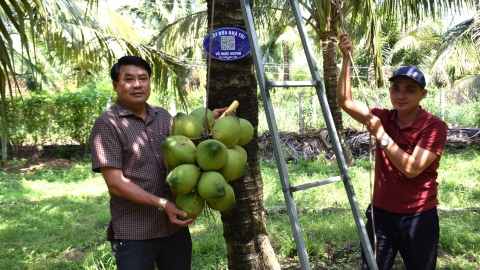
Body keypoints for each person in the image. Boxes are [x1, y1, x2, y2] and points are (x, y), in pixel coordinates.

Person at [89, 56, 230, 270]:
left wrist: (213, 123)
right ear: (116, 85)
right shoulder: (108, 124)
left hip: (174, 229)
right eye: (129, 79)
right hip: (135, 232)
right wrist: (163, 204)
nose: (137, 84)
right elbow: (115, 183)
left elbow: (188, 145)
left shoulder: (162, 116)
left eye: (143, 78)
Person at [336, 34, 448, 270]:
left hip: (418, 217)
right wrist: (346, 58)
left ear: (422, 94)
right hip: (381, 217)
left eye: (409, 90)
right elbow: (345, 101)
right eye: (395, 88)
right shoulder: (384, 117)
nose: (400, 95)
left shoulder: (433, 126)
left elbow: (412, 168)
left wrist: (382, 136)